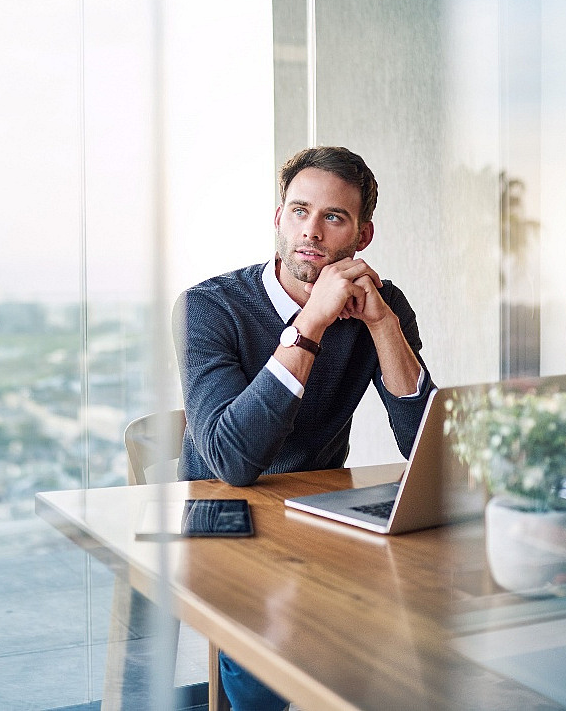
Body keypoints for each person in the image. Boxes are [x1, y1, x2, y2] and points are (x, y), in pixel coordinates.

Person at [172, 145, 434, 710]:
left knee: (421, 613)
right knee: (267, 636)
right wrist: (310, 322)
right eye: (298, 210)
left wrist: (384, 324)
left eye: (333, 217)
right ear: (277, 218)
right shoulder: (209, 307)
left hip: (317, 516)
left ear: (362, 236)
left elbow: (424, 446)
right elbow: (232, 461)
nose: (310, 231)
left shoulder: (381, 307)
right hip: (221, 515)